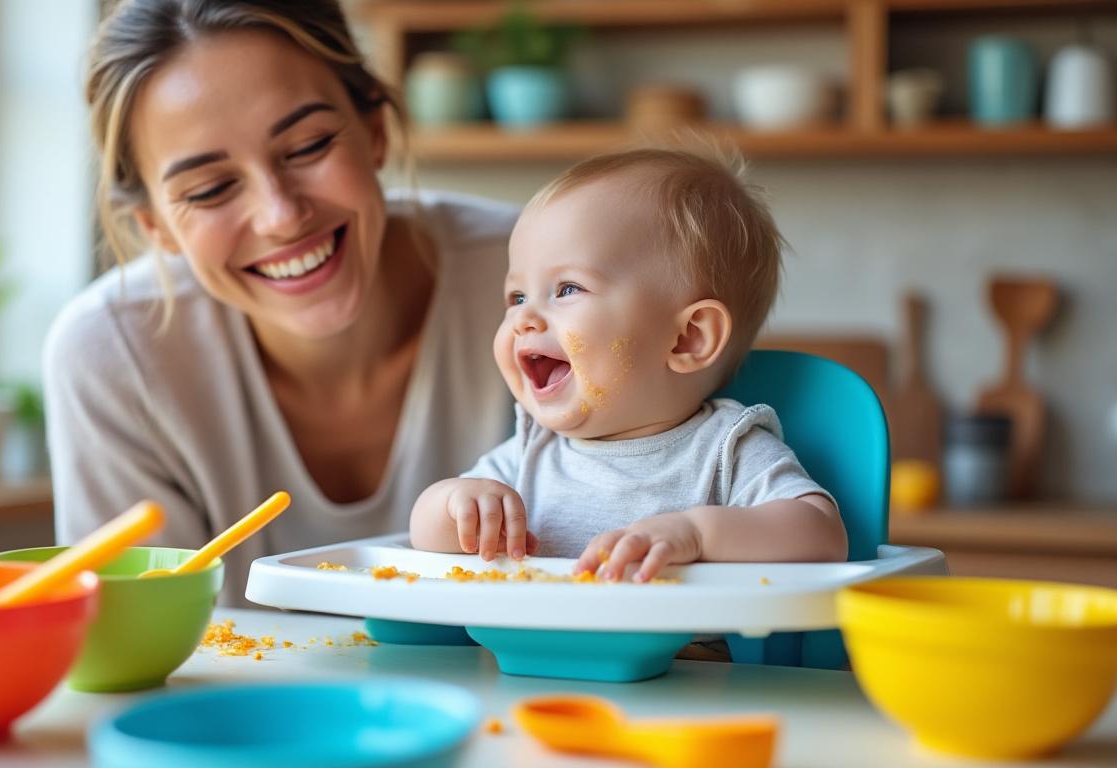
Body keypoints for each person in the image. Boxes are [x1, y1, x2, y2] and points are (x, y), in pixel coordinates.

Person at [46, 0, 517, 605]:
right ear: (157, 227)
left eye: (309, 145)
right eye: (211, 189)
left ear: (374, 129)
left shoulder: (537, 279)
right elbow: (140, 638)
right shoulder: (109, 352)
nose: (281, 216)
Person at [409, 149, 849, 583]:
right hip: (527, 652)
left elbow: (821, 534)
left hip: (685, 656)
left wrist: (697, 534)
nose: (523, 318)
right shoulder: (531, 450)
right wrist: (455, 504)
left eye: (567, 289)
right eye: (517, 297)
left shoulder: (723, 449)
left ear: (688, 337)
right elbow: (423, 535)